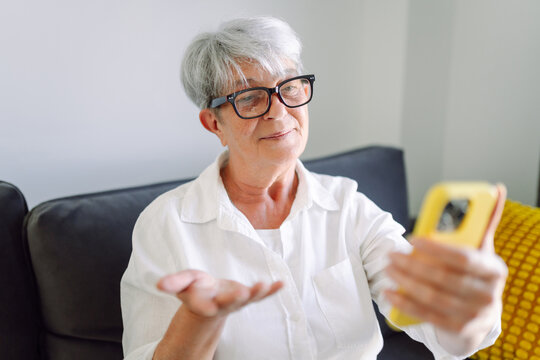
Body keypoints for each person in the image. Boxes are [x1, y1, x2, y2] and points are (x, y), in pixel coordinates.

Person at [120, 16, 507, 360]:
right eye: (250, 97)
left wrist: (473, 303)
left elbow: (448, 338)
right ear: (213, 123)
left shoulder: (348, 206)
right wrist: (198, 318)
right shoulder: (166, 224)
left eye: (289, 86)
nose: (279, 111)